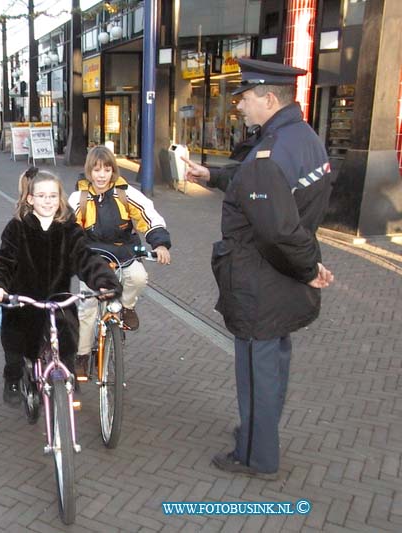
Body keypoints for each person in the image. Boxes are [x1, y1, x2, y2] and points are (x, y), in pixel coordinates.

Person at [185, 58, 335, 479]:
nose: (240, 107)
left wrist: (310, 270)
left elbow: (277, 229)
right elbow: (265, 190)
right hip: (281, 276)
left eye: (246, 98)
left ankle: (255, 456)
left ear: (269, 98)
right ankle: (257, 434)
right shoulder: (302, 138)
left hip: (261, 277)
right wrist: (213, 176)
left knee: (257, 369)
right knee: (274, 361)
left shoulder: (271, 150)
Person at [0, 167, 122, 406]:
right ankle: (14, 378)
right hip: (25, 301)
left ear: (59, 199)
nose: (47, 201)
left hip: (58, 300)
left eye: (52, 196)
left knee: (68, 337)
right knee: (15, 340)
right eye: (41, 196)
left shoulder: (69, 230)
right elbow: (4, 259)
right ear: (30, 199)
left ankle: (67, 377)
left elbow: (85, 258)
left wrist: (104, 282)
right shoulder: (17, 228)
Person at [68, 146, 171, 379]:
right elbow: (66, 227)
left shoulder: (126, 193)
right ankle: (82, 356)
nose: (101, 175)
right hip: (91, 258)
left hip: (122, 251)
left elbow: (149, 215)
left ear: (113, 170)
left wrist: (160, 243)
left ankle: (127, 307)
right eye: (96, 170)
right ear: (89, 172)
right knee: (88, 309)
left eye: (106, 169)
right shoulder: (79, 198)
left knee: (138, 277)